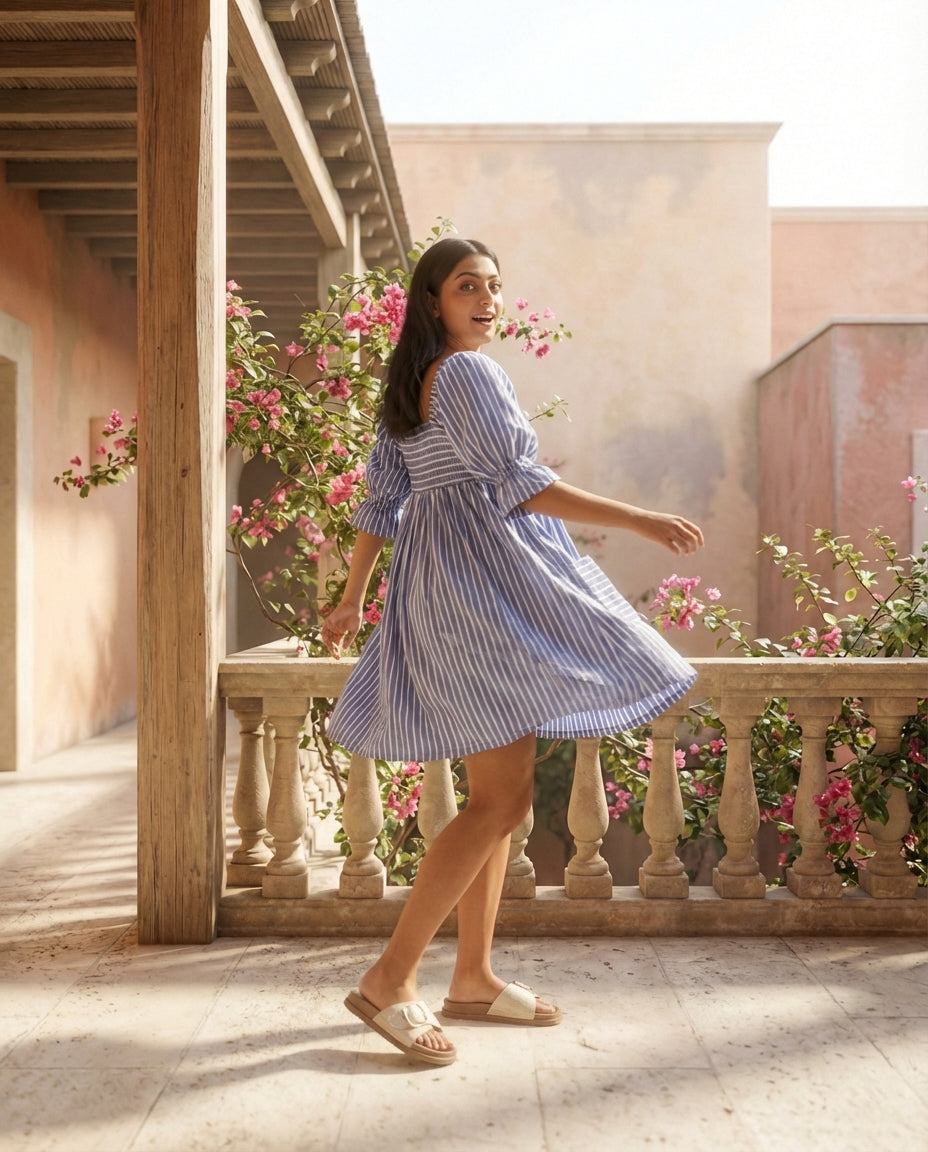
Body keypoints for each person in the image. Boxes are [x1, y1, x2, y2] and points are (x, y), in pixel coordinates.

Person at [322, 237, 703, 1066]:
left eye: (494, 286)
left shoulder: (410, 387)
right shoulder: (466, 374)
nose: (487, 299)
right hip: (482, 595)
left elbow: (380, 505)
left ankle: (474, 977)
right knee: (498, 801)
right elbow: (520, 483)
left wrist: (355, 596)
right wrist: (641, 518)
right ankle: (390, 978)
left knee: (506, 791)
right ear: (433, 301)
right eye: (468, 287)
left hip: (444, 593)